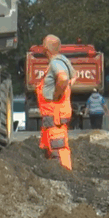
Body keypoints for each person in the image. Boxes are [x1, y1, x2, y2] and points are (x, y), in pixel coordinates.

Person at [35, 34, 76, 170]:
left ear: (46, 48)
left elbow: (63, 78)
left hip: (55, 119)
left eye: (43, 45)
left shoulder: (55, 63)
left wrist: (57, 94)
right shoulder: (63, 61)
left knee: (59, 152)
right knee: (52, 151)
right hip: (52, 120)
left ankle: (65, 177)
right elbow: (73, 77)